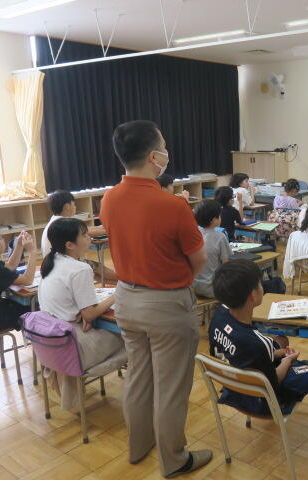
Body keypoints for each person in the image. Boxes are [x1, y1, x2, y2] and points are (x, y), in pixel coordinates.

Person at [100, 120, 211, 477]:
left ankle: (139, 446)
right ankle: (174, 460)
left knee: (138, 376)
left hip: (126, 300)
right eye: (163, 146)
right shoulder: (172, 205)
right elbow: (198, 259)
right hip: (166, 304)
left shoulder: (109, 198)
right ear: (153, 156)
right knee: (171, 387)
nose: (166, 152)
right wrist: (178, 281)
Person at [208, 260, 308, 419]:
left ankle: (285, 359)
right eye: (260, 283)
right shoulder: (257, 344)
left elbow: (244, 353)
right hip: (266, 399)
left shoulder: (218, 317)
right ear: (253, 296)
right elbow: (274, 380)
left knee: (282, 340)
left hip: (235, 389)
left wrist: (278, 353)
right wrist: (288, 360)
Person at [37, 217, 124, 410]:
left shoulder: (51, 261)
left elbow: (85, 313)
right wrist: (118, 294)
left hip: (52, 340)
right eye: (84, 236)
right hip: (72, 344)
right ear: (70, 245)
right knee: (133, 338)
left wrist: (84, 313)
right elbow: (90, 314)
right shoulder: (80, 269)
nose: (89, 238)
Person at [42, 190, 107, 258]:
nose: (75, 207)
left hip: (55, 261)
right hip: (60, 262)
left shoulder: (57, 219)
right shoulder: (63, 223)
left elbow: (86, 229)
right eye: (74, 204)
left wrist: (102, 227)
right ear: (67, 206)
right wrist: (110, 228)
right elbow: (89, 232)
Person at [192, 200, 232, 298]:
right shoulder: (220, 237)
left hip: (192, 287)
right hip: (212, 288)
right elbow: (227, 265)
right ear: (214, 220)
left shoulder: (193, 233)